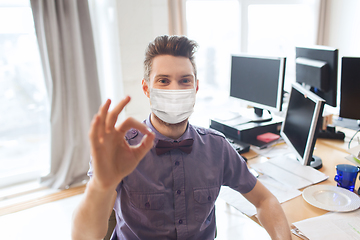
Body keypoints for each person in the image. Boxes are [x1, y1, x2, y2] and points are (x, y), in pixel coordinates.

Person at [72, 35, 291, 240]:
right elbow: (85, 236)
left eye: (185, 81)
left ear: (196, 87)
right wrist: (100, 186)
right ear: (147, 88)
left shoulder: (218, 147)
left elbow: (265, 199)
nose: (175, 90)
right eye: (163, 81)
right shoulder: (121, 149)